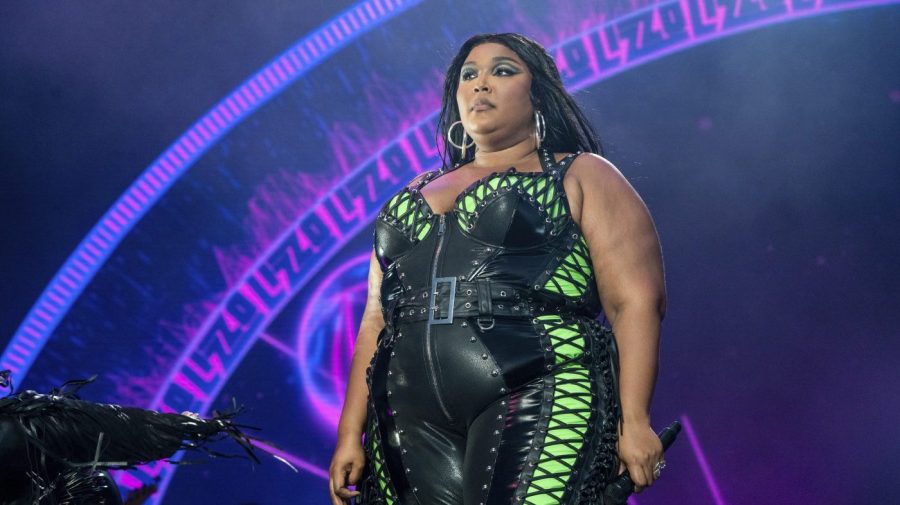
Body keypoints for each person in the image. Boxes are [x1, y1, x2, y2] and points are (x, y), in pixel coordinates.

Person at [329, 32, 667, 505]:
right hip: (407, 408)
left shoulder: (580, 173)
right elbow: (375, 318)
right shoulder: (412, 191)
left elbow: (635, 301)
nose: (481, 84)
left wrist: (634, 420)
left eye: (502, 71)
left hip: (540, 382)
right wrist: (350, 432)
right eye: (469, 75)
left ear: (538, 96)